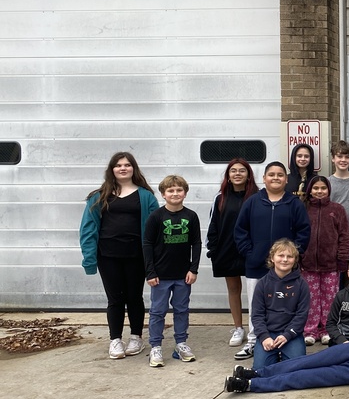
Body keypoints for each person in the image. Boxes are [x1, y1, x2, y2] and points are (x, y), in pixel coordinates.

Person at [79, 152, 159, 360]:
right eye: (118, 165)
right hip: (108, 256)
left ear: (134, 168)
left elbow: (155, 229)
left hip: (136, 256)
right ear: (112, 170)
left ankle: (136, 337)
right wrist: (89, 259)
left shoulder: (146, 196)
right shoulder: (99, 196)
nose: (123, 168)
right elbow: (88, 229)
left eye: (127, 165)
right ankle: (115, 340)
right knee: (115, 299)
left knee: (134, 297)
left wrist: (155, 259)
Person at [233, 161, 311, 359]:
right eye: (271, 174)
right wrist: (249, 253)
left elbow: (304, 231)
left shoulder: (294, 204)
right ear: (264, 178)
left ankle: (285, 340)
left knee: (286, 305)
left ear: (286, 179)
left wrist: (293, 256)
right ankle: (254, 341)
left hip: (285, 269)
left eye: (280, 175)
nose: (276, 178)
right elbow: (240, 230)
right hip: (256, 265)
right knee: (255, 305)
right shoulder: (252, 202)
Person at [142, 174, 202, 367]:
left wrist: (194, 269)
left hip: (183, 275)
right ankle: (155, 347)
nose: (175, 193)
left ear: (185, 193)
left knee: (182, 310)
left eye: (179, 190)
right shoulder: (156, 217)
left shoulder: (191, 216)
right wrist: (150, 272)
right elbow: (147, 244)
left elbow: (197, 243)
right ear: (163, 194)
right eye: (171, 190)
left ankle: (181, 344)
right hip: (160, 276)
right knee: (158, 311)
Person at [206, 158, 257, 347]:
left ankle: (256, 328)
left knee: (256, 292)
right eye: (233, 170)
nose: (237, 174)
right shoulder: (220, 198)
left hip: (251, 252)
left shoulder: (257, 197)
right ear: (228, 175)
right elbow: (213, 224)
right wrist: (213, 249)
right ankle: (238, 328)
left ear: (248, 174)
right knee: (234, 289)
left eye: (242, 170)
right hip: (227, 251)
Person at [301, 176, 349, 346]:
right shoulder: (304, 208)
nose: (319, 191)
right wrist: (299, 258)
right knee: (311, 298)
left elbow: (345, 236)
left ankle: (327, 330)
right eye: (316, 188)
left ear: (329, 190)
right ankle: (310, 330)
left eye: (323, 188)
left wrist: (343, 258)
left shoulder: (337, 209)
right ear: (310, 190)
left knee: (330, 299)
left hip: (331, 265)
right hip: (307, 265)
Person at [250, 239, 309, 371]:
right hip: (268, 334)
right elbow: (257, 315)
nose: (285, 260)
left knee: (296, 370)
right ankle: (273, 357)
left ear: (295, 260)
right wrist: (264, 337)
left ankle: (285, 356)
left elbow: (302, 315)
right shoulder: (262, 284)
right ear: (272, 258)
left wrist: (288, 335)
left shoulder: (302, 284)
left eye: (289, 256)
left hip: (291, 335)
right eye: (281, 255)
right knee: (260, 370)